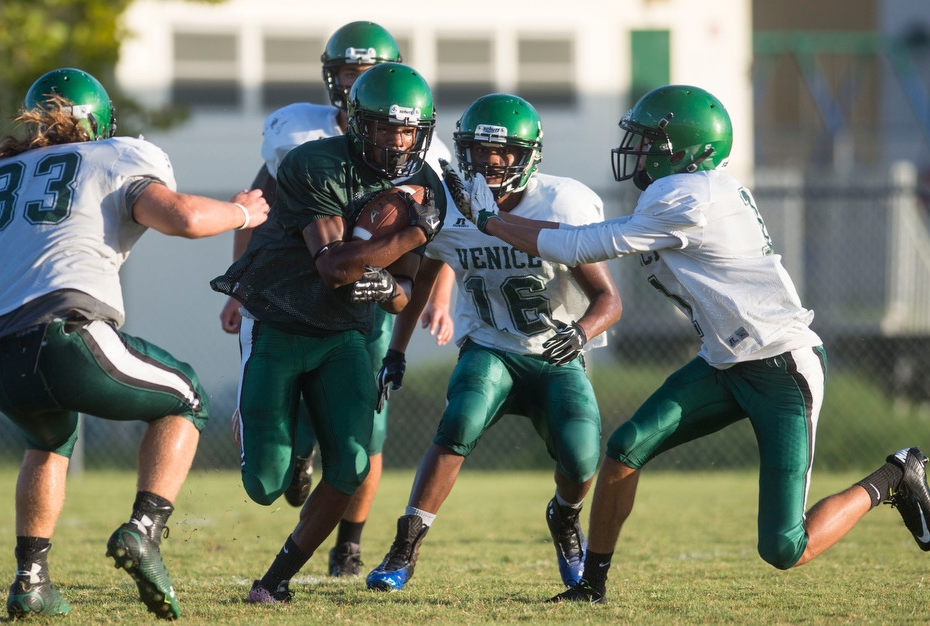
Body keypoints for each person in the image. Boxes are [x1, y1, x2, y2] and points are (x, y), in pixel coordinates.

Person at [467, 84, 930, 604]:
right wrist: (502, 221)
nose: (637, 152)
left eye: (647, 142)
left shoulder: (686, 195)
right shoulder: (694, 191)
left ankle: (894, 476)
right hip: (723, 361)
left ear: (681, 149)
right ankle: (590, 587)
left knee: (784, 546)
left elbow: (580, 243)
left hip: (780, 367)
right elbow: (582, 234)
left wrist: (490, 221)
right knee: (624, 449)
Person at [0, 67, 269, 620]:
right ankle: (143, 531)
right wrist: (242, 212)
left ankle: (31, 581)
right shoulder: (115, 157)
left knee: (48, 442)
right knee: (186, 397)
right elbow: (182, 217)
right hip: (66, 335)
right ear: (101, 121)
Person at [217, 21, 455, 578]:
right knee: (265, 484)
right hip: (285, 305)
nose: (397, 141)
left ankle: (343, 546)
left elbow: (421, 269)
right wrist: (237, 279)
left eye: (407, 131)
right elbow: (281, 225)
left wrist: (406, 291)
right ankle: (279, 433)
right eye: (347, 71)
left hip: (353, 321)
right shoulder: (304, 148)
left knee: (360, 442)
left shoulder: (428, 175)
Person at [363, 93, 622, 594]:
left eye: (502, 153)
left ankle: (565, 519)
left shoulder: (561, 203)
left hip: (555, 353)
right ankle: (406, 544)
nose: (490, 163)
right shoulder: (450, 205)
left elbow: (608, 299)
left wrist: (581, 332)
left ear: (529, 155)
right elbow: (425, 276)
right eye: (479, 152)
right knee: (459, 419)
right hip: (489, 346)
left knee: (582, 456)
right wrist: (396, 351)